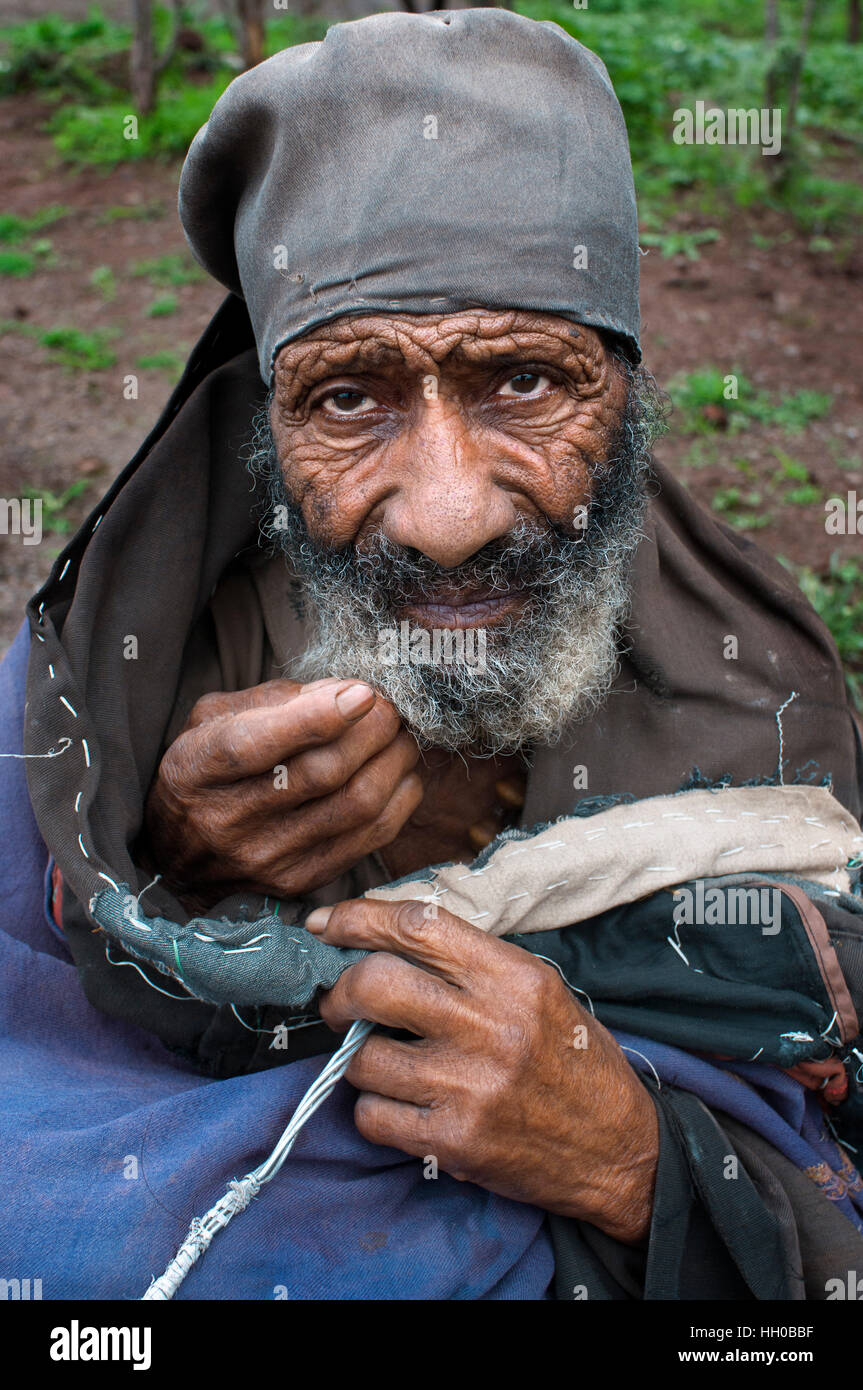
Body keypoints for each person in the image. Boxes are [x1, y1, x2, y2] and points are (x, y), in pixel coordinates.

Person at [2, 9, 862, 1301]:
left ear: (628, 397)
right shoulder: (109, 691)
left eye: (525, 381)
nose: (447, 514)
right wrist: (168, 850)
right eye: (350, 397)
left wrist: (636, 1158)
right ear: (265, 423)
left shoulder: (756, 709)